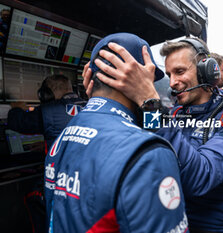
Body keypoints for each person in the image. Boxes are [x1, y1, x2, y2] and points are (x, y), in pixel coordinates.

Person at [83, 37, 223, 233]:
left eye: (179, 72)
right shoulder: (171, 115)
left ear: (206, 71)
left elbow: (201, 177)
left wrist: (149, 101)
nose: (172, 83)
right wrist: (103, 98)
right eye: (169, 74)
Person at [44, 32, 188, 233]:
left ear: (90, 79)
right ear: (138, 79)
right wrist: (150, 101)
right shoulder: (149, 154)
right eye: (150, 80)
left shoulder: (65, 132)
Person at [7, 74, 86, 149]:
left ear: (46, 94)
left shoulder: (48, 110)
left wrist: (16, 108)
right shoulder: (90, 106)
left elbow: (18, 123)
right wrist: (48, 145)